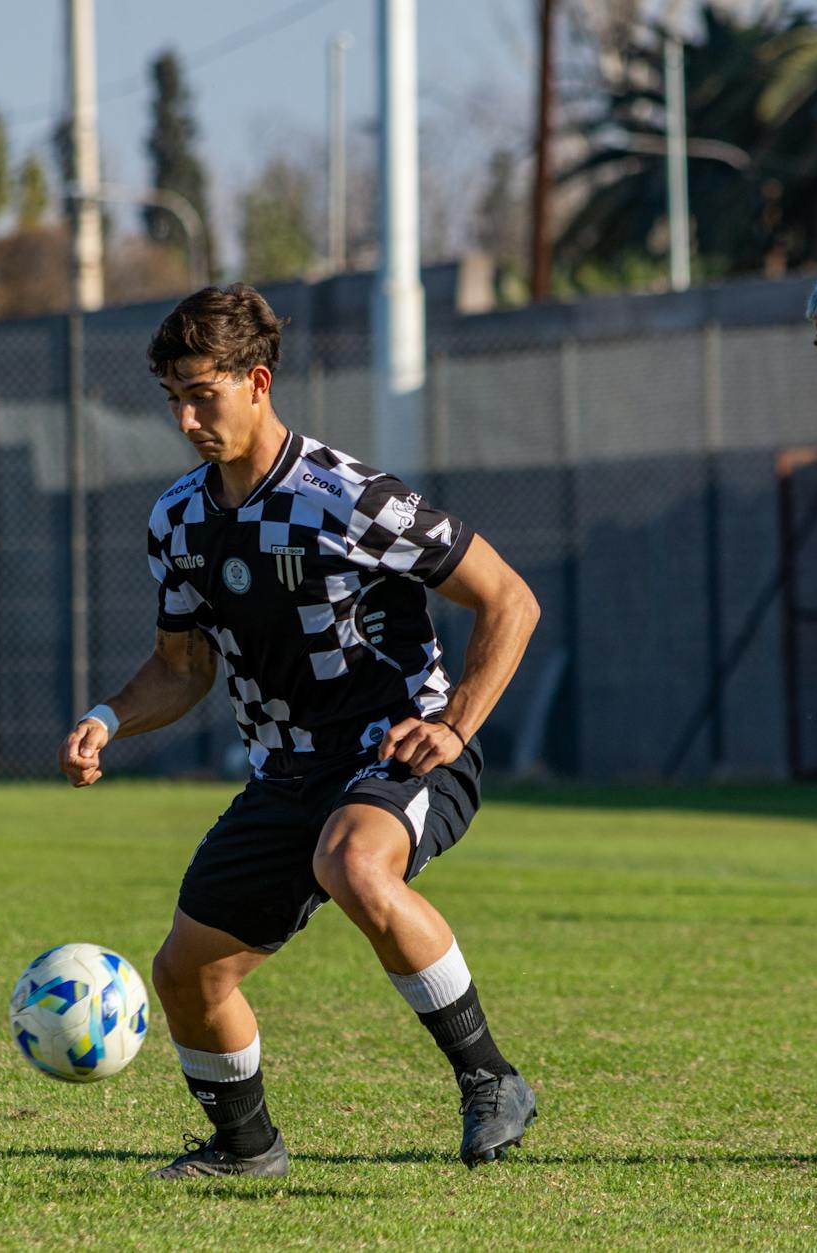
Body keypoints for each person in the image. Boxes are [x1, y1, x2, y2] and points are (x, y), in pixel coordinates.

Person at [57, 285, 542, 1177]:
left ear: (258, 380)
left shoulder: (350, 497)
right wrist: (107, 717)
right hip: (286, 773)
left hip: (396, 752)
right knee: (186, 973)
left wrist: (455, 722)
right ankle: (246, 1146)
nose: (186, 418)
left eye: (204, 393)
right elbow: (183, 666)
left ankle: (491, 1079)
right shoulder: (180, 520)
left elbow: (510, 597)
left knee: (353, 862)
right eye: (173, 399)